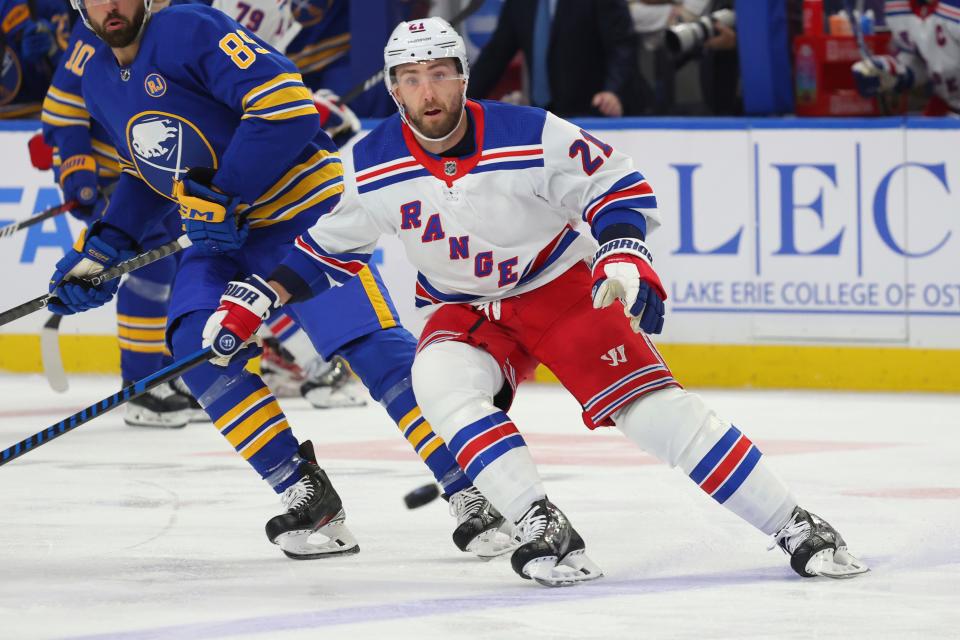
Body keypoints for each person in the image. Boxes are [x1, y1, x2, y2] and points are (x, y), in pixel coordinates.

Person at [202, 17, 870, 586]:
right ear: (395, 88)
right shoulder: (369, 162)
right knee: (436, 382)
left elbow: (614, 184)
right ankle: (544, 527)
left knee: (653, 415)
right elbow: (324, 249)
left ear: (464, 78)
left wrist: (624, 252)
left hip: (559, 291)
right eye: (410, 79)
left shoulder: (530, 132)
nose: (426, 92)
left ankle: (796, 525)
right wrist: (255, 298)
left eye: (439, 74)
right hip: (465, 310)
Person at [48, 0, 510, 559]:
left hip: (302, 218)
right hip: (222, 240)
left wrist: (225, 193)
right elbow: (149, 168)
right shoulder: (96, 75)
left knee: (371, 350)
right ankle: (308, 497)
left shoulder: (186, 27)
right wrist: (105, 247)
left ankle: (473, 488)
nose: (110, 4)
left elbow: (288, 107)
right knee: (197, 346)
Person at [466, 0, 647, 117]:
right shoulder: (519, 4)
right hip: (544, 117)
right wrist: (461, 100)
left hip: (594, 114)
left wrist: (613, 90)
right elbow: (495, 56)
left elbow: (622, 45)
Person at [851, 0, 960, 116]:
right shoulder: (897, 7)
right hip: (946, 104)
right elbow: (922, 59)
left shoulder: (954, 8)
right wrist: (893, 70)